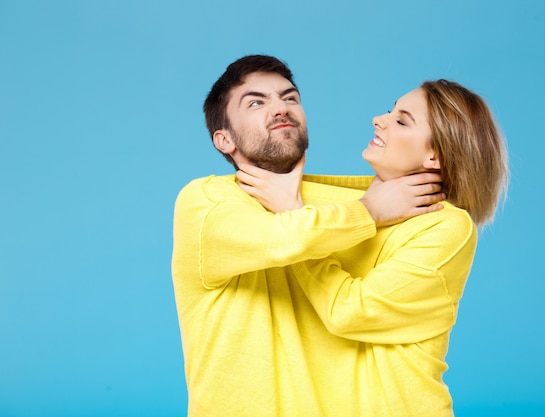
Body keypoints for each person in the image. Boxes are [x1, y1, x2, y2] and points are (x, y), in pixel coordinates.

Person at [171, 55, 446, 416]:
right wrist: (371, 212)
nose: (281, 108)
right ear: (223, 140)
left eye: (290, 98)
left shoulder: (401, 205)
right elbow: (284, 237)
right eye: (256, 102)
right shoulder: (207, 202)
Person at [236, 80, 508, 416]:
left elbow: (351, 312)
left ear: (434, 155)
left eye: (402, 120)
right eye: (390, 109)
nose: (379, 119)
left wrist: (295, 217)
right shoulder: (358, 207)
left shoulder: (447, 226)